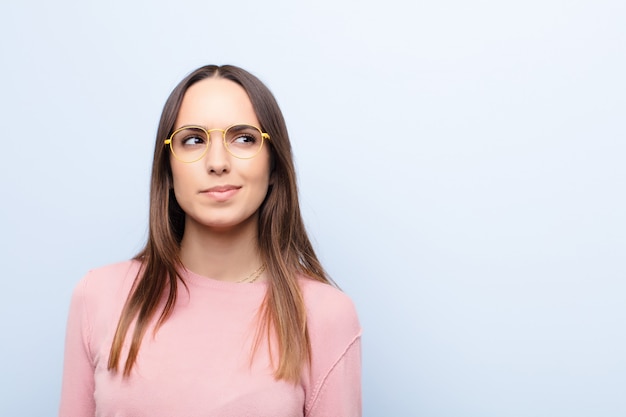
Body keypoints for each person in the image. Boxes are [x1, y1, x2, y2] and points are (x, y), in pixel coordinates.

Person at [58, 65, 361, 417]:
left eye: (244, 138)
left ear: (274, 165)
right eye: (193, 140)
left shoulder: (325, 315)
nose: (218, 163)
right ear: (167, 169)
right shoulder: (98, 296)